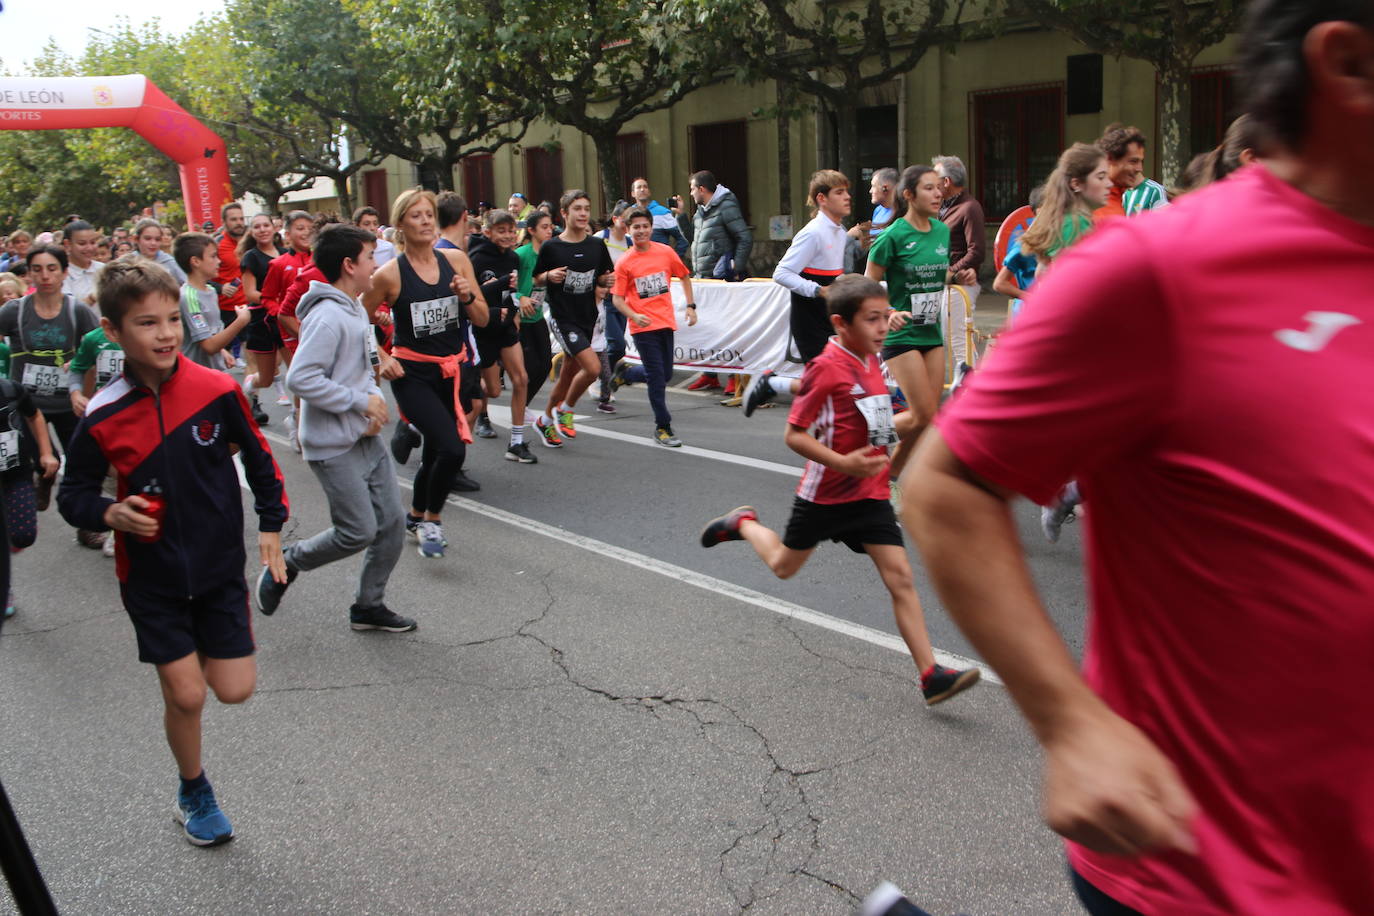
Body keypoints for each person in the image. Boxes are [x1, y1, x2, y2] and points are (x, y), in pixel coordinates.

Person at [904, 1, 1374, 911]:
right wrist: (1070, 723)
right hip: (1221, 879)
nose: (1117, 175)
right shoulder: (1159, 266)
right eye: (1109, 167)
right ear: (1349, 64)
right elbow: (946, 486)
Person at [57, 259, 288, 847]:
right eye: (145, 323)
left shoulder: (215, 389)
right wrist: (109, 512)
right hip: (151, 577)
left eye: (171, 320)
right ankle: (194, 789)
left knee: (233, 690)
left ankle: (192, 671)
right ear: (112, 332)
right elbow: (74, 494)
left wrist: (271, 524)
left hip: (216, 571)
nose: (164, 334)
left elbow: (261, 460)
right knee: (186, 693)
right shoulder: (104, 413)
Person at [700, 274, 980, 706]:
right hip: (825, 493)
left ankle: (930, 676)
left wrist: (887, 449)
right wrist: (844, 461)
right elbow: (795, 435)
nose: (883, 328)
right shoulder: (826, 368)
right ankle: (744, 523)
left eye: (885, 317)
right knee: (782, 566)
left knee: (901, 578)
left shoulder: (871, 356)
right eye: (873, 320)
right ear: (841, 324)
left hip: (868, 492)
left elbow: (876, 422)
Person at [256, 224, 416, 632]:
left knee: (392, 524)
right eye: (369, 258)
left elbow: (362, 364)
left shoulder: (351, 309)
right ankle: (290, 562)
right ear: (349, 265)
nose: (376, 265)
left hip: (364, 437)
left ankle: (368, 605)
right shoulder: (328, 317)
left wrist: (371, 401)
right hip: (332, 444)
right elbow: (301, 379)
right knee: (357, 531)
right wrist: (359, 402)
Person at [363, 188, 486, 559]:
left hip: (453, 370)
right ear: (400, 223)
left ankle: (415, 516)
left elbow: (481, 318)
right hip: (413, 374)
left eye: (429, 214)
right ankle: (433, 520)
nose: (426, 221)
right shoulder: (388, 275)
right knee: (451, 448)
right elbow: (354, 320)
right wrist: (381, 357)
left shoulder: (457, 261)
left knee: (436, 451)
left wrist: (466, 296)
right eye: (416, 215)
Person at [865, 165, 978, 477]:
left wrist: (956, 274)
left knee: (925, 419)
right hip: (900, 335)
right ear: (908, 195)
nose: (938, 193)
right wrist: (888, 313)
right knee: (924, 413)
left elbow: (935, 273)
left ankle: (888, 476)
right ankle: (859, 434)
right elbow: (868, 285)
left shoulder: (941, 231)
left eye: (938, 187)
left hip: (930, 331)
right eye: (928, 188)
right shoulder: (892, 236)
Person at [745, 170, 851, 416]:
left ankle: (773, 385)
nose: (847, 197)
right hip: (810, 321)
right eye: (839, 192)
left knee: (837, 384)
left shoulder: (840, 231)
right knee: (831, 386)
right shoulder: (812, 232)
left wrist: (842, 285)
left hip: (832, 317)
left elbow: (831, 273)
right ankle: (774, 387)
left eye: (847, 191)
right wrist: (818, 290)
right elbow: (781, 273)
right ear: (822, 199)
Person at [531, 190, 615, 448]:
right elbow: (536, 278)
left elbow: (601, 276)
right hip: (562, 317)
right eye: (577, 208)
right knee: (593, 368)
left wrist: (605, 281)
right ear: (564, 213)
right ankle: (566, 409)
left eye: (586, 209)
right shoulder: (552, 246)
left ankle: (544, 421)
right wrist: (549, 276)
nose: (582, 213)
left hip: (586, 317)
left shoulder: (596, 245)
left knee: (568, 375)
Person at [610, 207, 697, 447]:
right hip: (643, 327)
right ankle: (663, 427)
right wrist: (634, 316)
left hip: (665, 322)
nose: (641, 231)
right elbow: (617, 299)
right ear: (628, 230)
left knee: (665, 374)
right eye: (635, 227)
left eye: (644, 226)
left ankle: (626, 373)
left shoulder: (666, 252)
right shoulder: (625, 262)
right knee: (658, 378)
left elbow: (685, 276)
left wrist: (690, 306)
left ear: (651, 227)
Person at [467, 210, 536, 464]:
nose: (508, 235)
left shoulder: (512, 258)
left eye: (510, 230)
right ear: (487, 232)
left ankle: (516, 443)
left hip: (506, 327)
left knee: (521, 379)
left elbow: (512, 292)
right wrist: (500, 285)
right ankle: (479, 409)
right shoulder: (475, 258)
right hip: (483, 329)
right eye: (501, 230)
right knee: (493, 390)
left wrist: (515, 315)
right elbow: (471, 298)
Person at [0, 374, 61, 617]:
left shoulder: (10, 389)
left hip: (16, 475)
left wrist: (46, 453)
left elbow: (34, 415)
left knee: (23, 535)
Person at [932, 156, 986, 369]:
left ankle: (970, 387)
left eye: (935, 180)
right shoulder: (942, 207)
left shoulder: (969, 207)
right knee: (950, 336)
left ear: (946, 182)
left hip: (960, 284)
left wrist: (951, 273)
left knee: (958, 338)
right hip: (947, 282)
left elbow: (977, 251)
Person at [174, 233, 251, 371]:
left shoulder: (210, 290)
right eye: (213, 256)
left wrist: (222, 351)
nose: (219, 261)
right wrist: (241, 321)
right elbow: (209, 346)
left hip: (214, 372)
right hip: (196, 375)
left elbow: (209, 335)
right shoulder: (189, 297)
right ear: (195, 261)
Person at [237, 214, 286, 424]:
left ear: (274, 228)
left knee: (295, 371)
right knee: (265, 378)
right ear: (252, 232)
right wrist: (276, 298)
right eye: (257, 227)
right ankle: (250, 388)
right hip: (262, 318)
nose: (263, 229)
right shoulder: (251, 257)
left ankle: (297, 418)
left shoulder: (286, 254)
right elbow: (250, 293)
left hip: (286, 317)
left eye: (266, 225)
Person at [515, 210, 555, 420]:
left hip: (538, 316)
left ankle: (523, 403)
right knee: (530, 368)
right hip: (520, 320)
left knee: (545, 366)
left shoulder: (551, 254)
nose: (550, 231)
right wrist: (520, 297)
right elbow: (507, 285)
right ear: (531, 231)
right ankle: (518, 405)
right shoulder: (521, 255)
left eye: (551, 227)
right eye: (544, 227)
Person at [991, 184, 1047, 321]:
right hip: (1029, 314)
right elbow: (1000, 283)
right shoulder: (1025, 245)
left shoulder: (1061, 240)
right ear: (1039, 211)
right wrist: (1031, 298)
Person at [1093, 124, 1169, 223]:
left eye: (1141, 162)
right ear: (1110, 158)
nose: (1139, 169)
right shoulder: (1096, 202)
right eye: (1133, 161)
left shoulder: (1117, 197)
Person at [688, 170, 752, 281]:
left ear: (702, 189)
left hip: (720, 280)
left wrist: (735, 269)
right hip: (702, 279)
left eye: (693, 189)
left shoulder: (726, 206)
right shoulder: (700, 213)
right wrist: (680, 216)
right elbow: (693, 239)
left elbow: (745, 238)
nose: (691, 193)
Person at [214, 204, 248, 355]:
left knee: (253, 354)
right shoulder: (216, 245)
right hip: (226, 309)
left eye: (241, 218)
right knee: (220, 356)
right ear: (224, 222)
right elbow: (199, 276)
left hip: (249, 306)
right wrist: (220, 288)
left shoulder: (251, 242)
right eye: (233, 219)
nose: (239, 222)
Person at [629, 178, 689, 258]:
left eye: (645, 187)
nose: (642, 189)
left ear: (649, 192)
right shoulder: (629, 214)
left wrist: (674, 258)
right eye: (639, 187)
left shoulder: (662, 212)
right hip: (636, 264)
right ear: (633, 193)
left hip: (659, 264)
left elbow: (682, 237)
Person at [846, 167, 898, 251]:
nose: (870, 191)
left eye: (873, 186)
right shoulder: (878, 210)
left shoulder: (901, 213)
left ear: (885, 188)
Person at [61, 220, 104, 306]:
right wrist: (93, 297)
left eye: (93, 242)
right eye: (82, 243)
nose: (89, 248)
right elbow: (67, 309)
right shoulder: (61, 274)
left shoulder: (104, 269)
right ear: (67, 244)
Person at [132, 219, 187, 284]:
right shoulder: (127, 263)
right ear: (136, 239)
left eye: (157, 239)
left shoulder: (171, 263)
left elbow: (189, 287)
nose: (153, 243)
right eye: (148, 238)